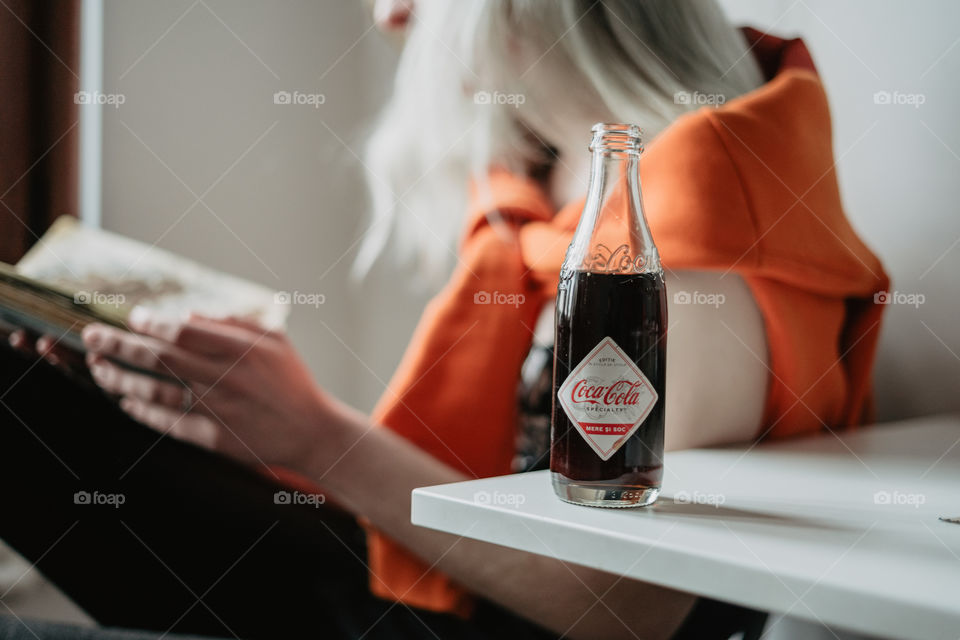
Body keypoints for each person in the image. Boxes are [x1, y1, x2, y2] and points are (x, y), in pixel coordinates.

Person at [0, 1, 888, 639]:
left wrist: (320, 438)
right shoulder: (556, 192)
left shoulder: (693, 254)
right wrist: (248, 419)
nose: (388, 17)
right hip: (431, 580)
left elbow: (632, 609)